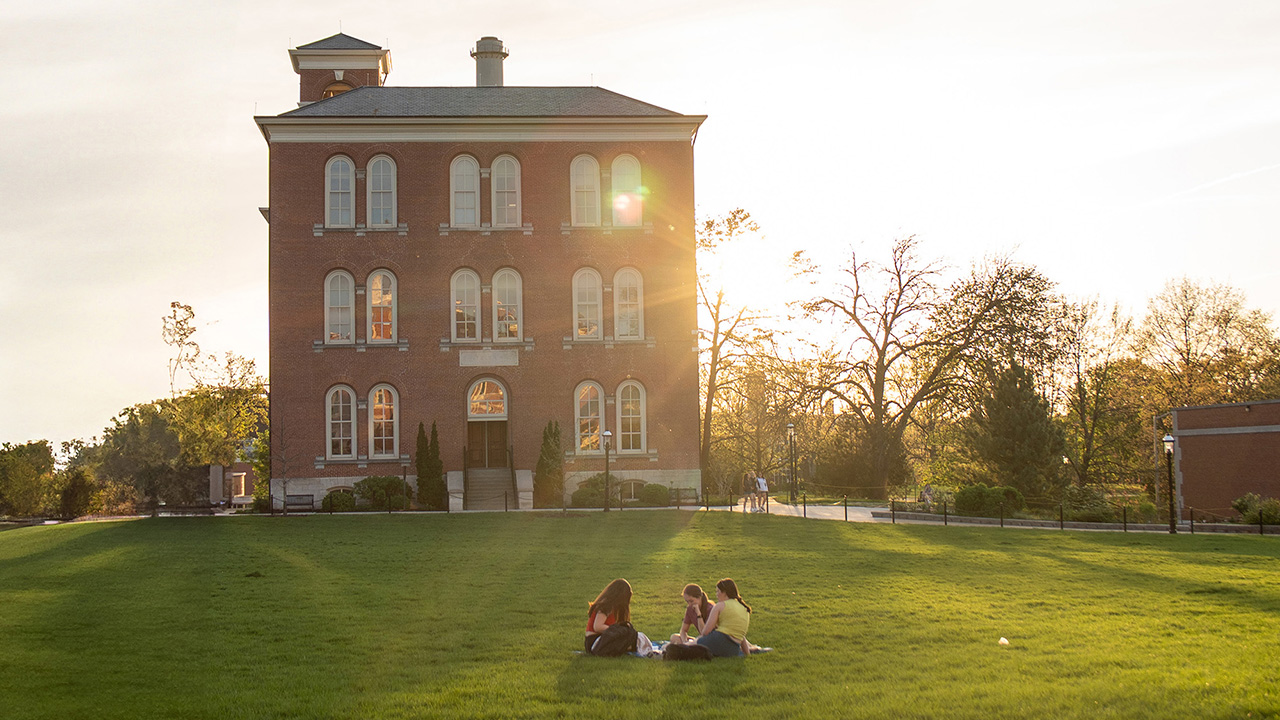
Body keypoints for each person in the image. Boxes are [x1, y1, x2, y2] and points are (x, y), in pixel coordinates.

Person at [697, 578, 753, 657]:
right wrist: (747, 654)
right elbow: (740, 635)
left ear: (724, 592)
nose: (716, 594)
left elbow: (705, 632)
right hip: (733, 649)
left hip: (720, 640)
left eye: (718, 591)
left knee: (691, 644)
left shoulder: (720, 605)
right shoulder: (743, 608)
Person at [585, 578, 632, 654]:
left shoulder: (614, 608)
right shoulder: (605, 606)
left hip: (601, 640)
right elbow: (597, 627)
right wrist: (617, 630)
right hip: (595, 642)